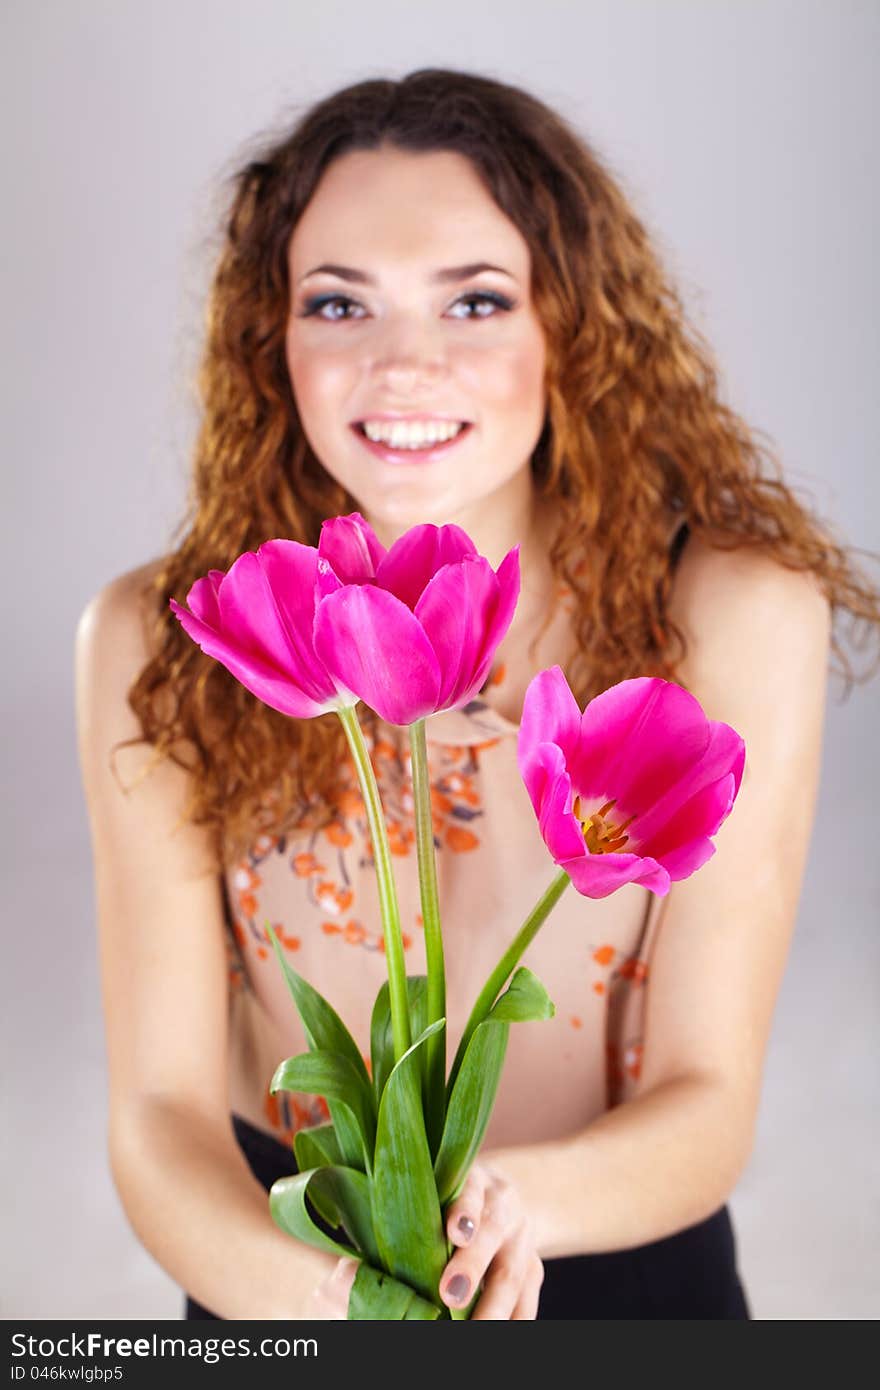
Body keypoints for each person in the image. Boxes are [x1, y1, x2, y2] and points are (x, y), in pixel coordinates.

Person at [74, 68, 880, 1321]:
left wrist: (510, 1217)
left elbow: (708, 1098)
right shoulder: (161, 638)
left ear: (572, 328)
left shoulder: (725, 612)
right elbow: (162, 1113)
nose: (402, 366)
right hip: (280, 1274)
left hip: (610, 1249)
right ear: (269, 337)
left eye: (477, 302)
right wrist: (342, 1307)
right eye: (339, 303)